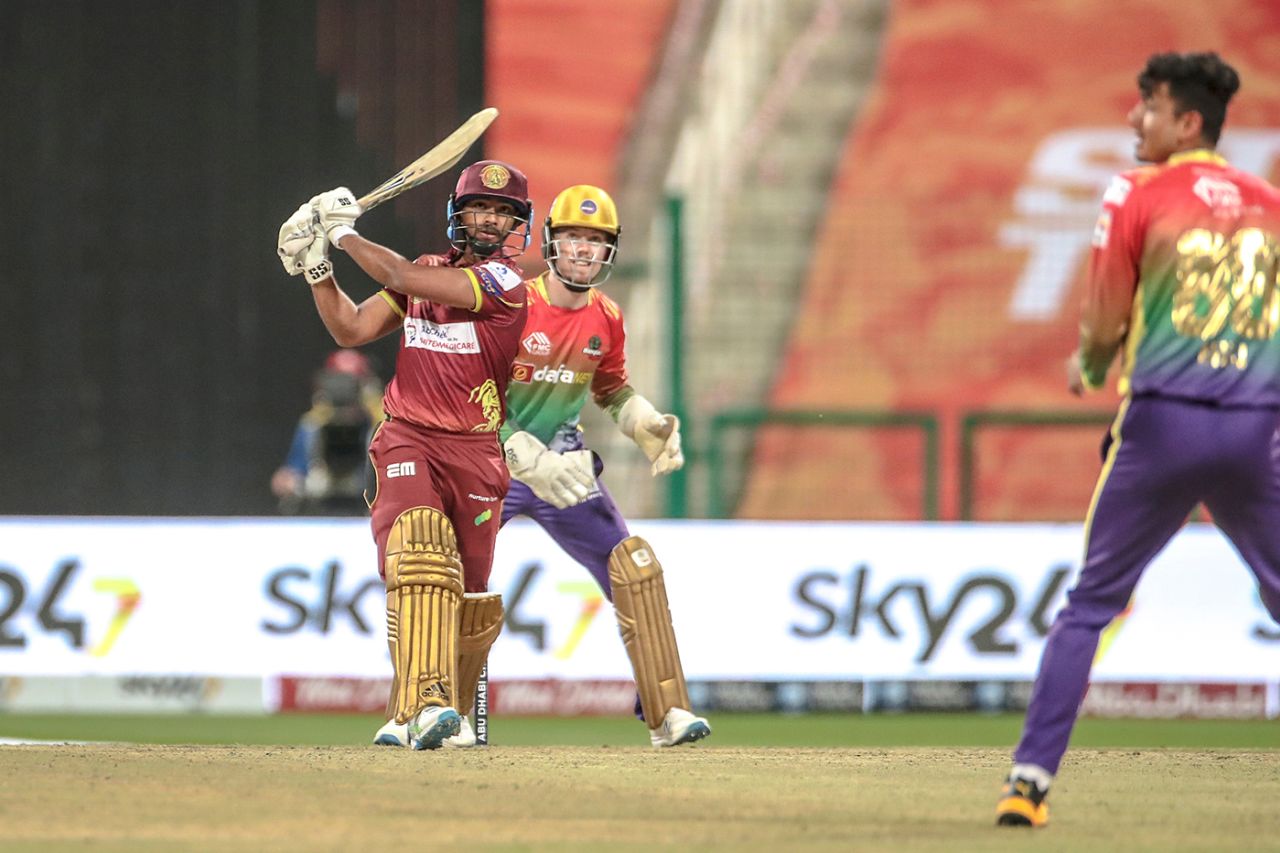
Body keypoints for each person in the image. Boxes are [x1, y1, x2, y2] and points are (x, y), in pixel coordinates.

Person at [996, 52, 1280, 827]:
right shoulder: (1269, 203)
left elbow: (1103, 319)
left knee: (1090, 603)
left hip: (1160, 425)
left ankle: (1029, 782)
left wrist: (1088, 365)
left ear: (1187, 121)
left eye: (1148, 107)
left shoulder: (1137, 190)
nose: (1133, 119)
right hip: (1256, 428)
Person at [275, 160, 534, 751]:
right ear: (458, 215)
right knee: (417, 553)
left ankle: (423, 711)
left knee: (467, 597)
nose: (492, 220)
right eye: (481, 208)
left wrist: (340, 233)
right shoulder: (423, 273)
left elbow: (398, 273)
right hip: (408, 436)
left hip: (475, 450)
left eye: (504, 212)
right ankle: (427, 704)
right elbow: (352, 328)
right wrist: (317, 268)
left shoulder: (505, 285)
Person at [442, 184, 711, 749]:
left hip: (564, 470)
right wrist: (521, 453)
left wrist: (647, 425)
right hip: (495, 465)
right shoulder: (514, 305)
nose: (584, 251)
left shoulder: (608, 317)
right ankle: (448, 714)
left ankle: (667, 712)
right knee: (464, 586)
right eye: (573, 239)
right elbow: (472, 392)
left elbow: (611, 388)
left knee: (633, 569)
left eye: (596, 241)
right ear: (551, 244)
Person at [270, 348, 384, 515]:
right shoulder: (312, 426)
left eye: (353, 383)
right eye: (339, 382)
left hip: (368, 509)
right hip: (321, 508)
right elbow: (291, 472)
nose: (345, 391)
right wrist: (289, 480)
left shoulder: (382, 426)